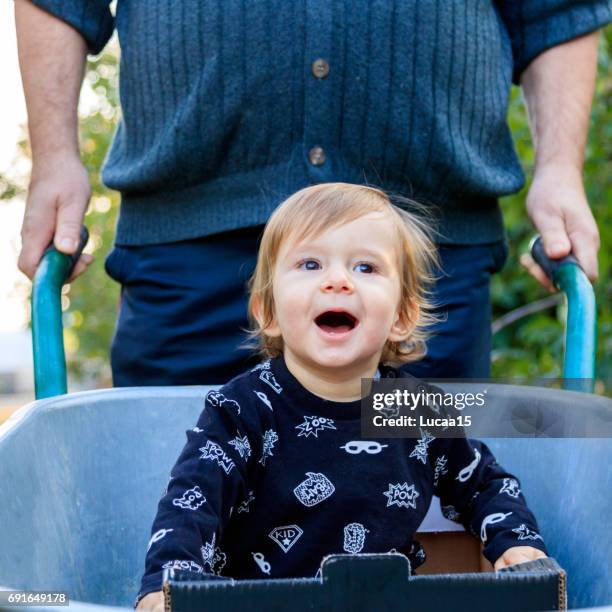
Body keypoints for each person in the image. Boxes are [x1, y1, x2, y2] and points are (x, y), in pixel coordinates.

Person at [14, 1, 610, 383]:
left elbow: (557, 9)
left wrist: (559, 168)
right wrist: (55, 159)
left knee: (429, 511)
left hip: (422, 265)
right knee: (176, 516)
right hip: (193, 255)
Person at [135, 183, 547, 610]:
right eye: (310, 264)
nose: (337, 281)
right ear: (269, 311)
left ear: (401, 316)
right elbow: (191, 504)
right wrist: (169, 584)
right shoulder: (245, 410)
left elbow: (483, 484)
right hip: (262, 604)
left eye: (366, 268)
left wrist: (516, 545)